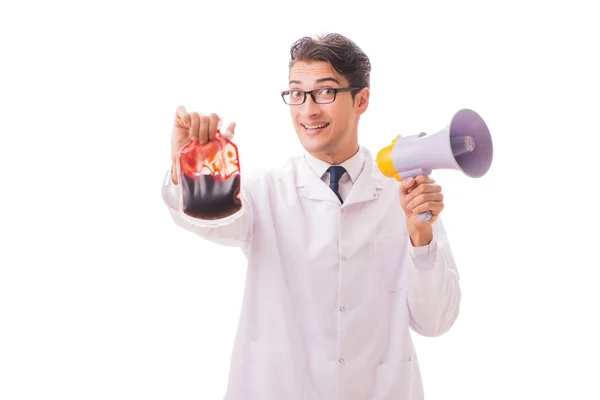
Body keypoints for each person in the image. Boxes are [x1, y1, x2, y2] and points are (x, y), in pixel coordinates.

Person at [161, 32, 461, 400]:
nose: (308, 110)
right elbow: (207, 218)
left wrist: (420, 239)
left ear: (361, 99)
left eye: (324, 92)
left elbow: (434, 322)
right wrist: (188, 170)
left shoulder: (404, 195)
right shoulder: (265, 192)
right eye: (297, 94)